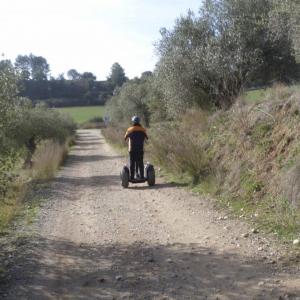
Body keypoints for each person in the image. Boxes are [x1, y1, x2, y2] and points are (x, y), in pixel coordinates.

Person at [124, 116, 148, 180]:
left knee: (132, 163)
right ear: (139, 121)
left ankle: (132, 177)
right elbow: (147, 138)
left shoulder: (129, 130)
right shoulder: (143, 130)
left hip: (132, 150)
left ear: (133, 122)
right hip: (140, 149)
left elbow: (125, 138)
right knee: (140, 162)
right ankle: (142, 176)